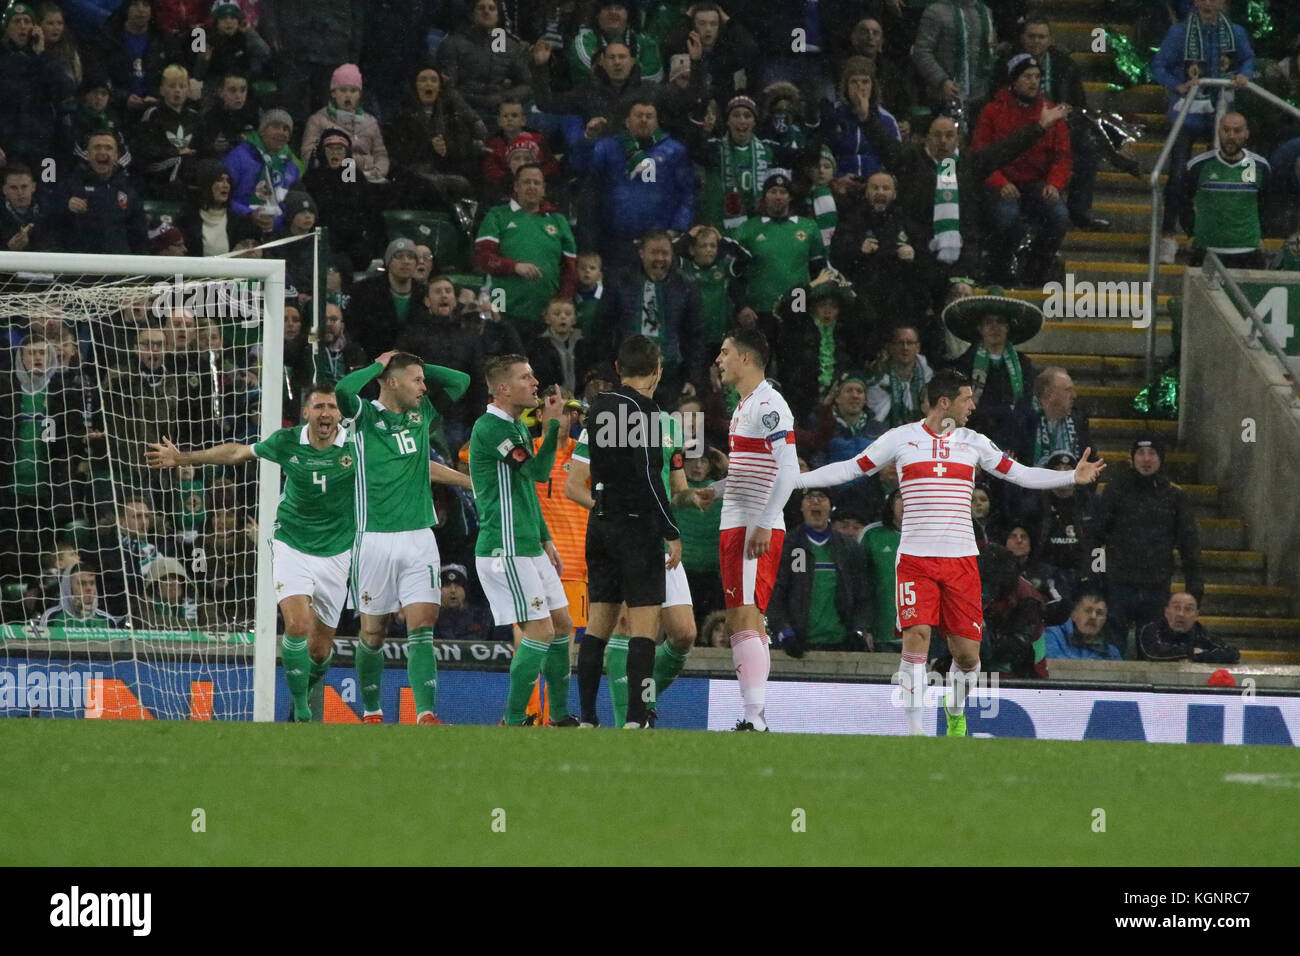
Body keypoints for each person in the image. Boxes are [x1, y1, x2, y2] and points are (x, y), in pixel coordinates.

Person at [795, 368, 1105, 736]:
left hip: (961, 563)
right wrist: (798, 480)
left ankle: (953, 707)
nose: (972, 406)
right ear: (945, 402)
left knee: (968, 658)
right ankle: (916, 734)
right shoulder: (902, 439)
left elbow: (1020, 474)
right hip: (915, 560)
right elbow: (852, 468)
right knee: (917, 641)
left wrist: (1070, 476)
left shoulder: (974, 442)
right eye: (966, 399)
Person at [146, 383, 357, 721]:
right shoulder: (287, 442)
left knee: (320, 650)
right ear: (305, 413)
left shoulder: (356, 445)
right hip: (292, 544)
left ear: (340, 413)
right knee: (298, 625)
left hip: (337, 551)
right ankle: (302, 710)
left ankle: (305, 689)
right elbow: (235, 453)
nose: (325, 413)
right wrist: (182, 458)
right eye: (318, 407)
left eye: (331, 407)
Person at [334, 351, 472, 725]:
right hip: (373, 538)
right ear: (392, 382)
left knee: (422, 626)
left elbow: (461, 381)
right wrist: (381, 364)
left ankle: (425, 713)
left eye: (424, 381)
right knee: (373, 632)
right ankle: (372, 711)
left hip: (419, 538)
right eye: (416, 380)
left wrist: (418, 363)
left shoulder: (420, 412)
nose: (424, 387)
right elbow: (342, 388)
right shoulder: (362, 415)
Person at [567, 382, 710, 727]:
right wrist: (609, 513)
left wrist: (692, 497)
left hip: (656, 534)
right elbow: (575, 484)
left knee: (684, 632)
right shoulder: (603, 421)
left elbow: (675, 489)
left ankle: (640, 700)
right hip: (624, 534)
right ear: (656, 372)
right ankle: (627, 719)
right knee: (627, 626)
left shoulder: (670, 425)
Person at [574, 336, 683, 729]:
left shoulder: (599, 406)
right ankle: (636, 718)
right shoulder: (648, 413)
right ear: (657, 370)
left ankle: (586, 716)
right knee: (643, 628)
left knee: (597, 626)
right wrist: (670, 530)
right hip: (636, 526)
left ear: (618, 369)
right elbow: (650, 479)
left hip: (600, 523)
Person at [468, 355, 574, 725]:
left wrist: (546, 539)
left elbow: (526, 489)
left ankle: (559, 715)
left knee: (563, 624)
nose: (535, 382)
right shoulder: (490, 428)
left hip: (529, 546)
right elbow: (539, 471)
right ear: (502, 388)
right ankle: (513, 719)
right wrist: (552, 426)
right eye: (525, 377)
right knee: (541, 630)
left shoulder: (513, 427)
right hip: (505, 548)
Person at [711, 329, 799, 730]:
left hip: (752, 525)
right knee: (739, 619)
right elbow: (751, 470)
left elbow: (790, 470)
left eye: (725, 353)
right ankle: (754, 715)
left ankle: (755, 719)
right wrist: (710, 493)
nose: (719, 359)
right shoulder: (744, 406)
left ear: (746, 358)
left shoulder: (769, 405)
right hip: (738, 522)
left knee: (747, 616)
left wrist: (764, 523)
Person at [1151, 0, 1255, 264]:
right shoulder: (1179, 33)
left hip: (1220, 116)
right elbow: (1158, 65)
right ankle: (1168, 235)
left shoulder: (1236, 33)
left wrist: (1244, 75)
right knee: (1176, 174)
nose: (1208, 3)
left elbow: (1247, 59)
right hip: (1186, 114)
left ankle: (1209, 234)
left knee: (1215, 175)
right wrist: (1178, 85)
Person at [1097, 434, 1204, 655]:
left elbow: (1189, 544)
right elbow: (1097, 535)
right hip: (1119, 583)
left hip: (1155, 585)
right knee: (1112, 648)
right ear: (1132, 457)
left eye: (1152, 453)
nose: (1146, 459)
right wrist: (1095, 576)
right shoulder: (1116, 490)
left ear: (1161, 458)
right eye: (1141, 453)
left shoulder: (1175, 496)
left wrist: (1194, 587)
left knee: (1152, 649)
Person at [971, 54, 1073, 286]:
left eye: (1037, 77)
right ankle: (1001, 266)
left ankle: (1038, 266)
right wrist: (999, 182)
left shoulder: (1050, 112)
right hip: (1000, 182)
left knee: (1059, 216)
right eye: (1027, 76)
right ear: (1014, 80)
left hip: (1036, 184)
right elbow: (980, 155)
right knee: (1007, 217)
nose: (1033, 82)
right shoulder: (993, 111)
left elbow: (1062, 156)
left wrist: (1054, 184)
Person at [580, 97, 694, 271]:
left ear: (656, 121)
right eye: (638, 115)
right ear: (627, 120)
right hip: (615, 243)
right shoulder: (607, 147)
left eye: (649, 116)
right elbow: (582, 174)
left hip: (659, 245)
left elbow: (687, 193)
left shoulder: (674, 151)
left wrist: (676, 229)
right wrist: (588, 139)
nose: (644, 120)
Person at [596, 228, 703, 401]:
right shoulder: (620, 282)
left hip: (670, 376)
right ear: (641, 253)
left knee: (665, 426)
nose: (660, 258)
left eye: (665, 253)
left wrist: (693, 378)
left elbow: (695, 336)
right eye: (654, 253)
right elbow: (602, 328)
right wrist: (604, 372)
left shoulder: (686, 286)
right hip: (626, 375)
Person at [474, 163, 578, 333]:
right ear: (516, 186)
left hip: (545, 315)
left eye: (537, 183)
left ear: (544, 189)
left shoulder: (558, 220)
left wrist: (561, 304)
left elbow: (570, 269)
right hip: (501, 308)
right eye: (526, 182)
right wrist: (515, 267)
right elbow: (483, 258)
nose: (532, 187)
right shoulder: (497, 215)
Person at [768, 488, 871, 656]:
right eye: (810, 497)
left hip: (841, 645)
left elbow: (863, 595)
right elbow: (776, 595)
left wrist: (858, 630)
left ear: (831, 507)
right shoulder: (790, 546)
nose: (815, 502)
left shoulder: (849, 548)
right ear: (801, 507)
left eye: (821, 497)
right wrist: (784, 632)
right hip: (798, 645)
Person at [731, 173, 827, 344]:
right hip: (759, 310)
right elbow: (736, 275)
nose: (778, 196)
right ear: (764, 196)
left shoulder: (809, 227)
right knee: (759, 366)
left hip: (797, 308)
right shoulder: (747, 229)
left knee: (794, 366)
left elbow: (819, 271)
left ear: (790, 197)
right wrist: (741, 306)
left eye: (783, 192)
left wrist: (817, 304)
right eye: (773, 191)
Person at [944, 289, 1040, 452]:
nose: (995, 328)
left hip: (1012, 446)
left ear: (1008, 327)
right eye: (989, 322)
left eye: (1000, 322)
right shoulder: (964, 364)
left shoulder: (1023, 364)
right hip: (974, 445)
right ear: (980, 328)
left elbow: (1025, 407)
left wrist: (1012, 446)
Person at [1185, 111, 1270, 268]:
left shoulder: (1260, 166)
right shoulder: (1199, 165)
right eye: (1226, 130)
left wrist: (1262, 235)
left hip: (1248, 251)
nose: (1231, 136)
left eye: (1237, 131)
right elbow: (1183, 201)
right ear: (1219, 131)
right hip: (1207, 250)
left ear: (1246, 133)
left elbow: (1268, 204)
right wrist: (1191, 232)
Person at [436, 0, 532, 125]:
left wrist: (502, 98)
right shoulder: (452, 43)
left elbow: (527, 85)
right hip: (462, 116)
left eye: (491, 8)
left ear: (497, 16)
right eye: (481, 8)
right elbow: (448, 88)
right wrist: (473, 118)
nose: (486, 11)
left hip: (500, 115)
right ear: (472, 14)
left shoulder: (510, 46)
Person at [52, 130, 147, 254]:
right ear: (88, 154)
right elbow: (49, 220)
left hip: (117, 266)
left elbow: (139, 234)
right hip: (80, 265)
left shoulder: (128, 188)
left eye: (108, 148)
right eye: (97, 147)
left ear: (116, 155)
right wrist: (66, 206)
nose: (102, 152)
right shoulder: (70, 184)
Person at [345, 238, 432, 363]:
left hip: (414, 364)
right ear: (388, 262)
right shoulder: (364, 291)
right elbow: (354, 331)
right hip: (373, 362)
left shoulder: (424, 293)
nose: (406, 261)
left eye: (411, 257)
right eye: (399, 256)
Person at [697, 95, 777, 230]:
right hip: (719, 228)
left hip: (757, 229)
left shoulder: (767, 150)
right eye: (736, 115)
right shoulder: (714, 149)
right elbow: (694, 150)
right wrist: (705, 132)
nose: (742, 120)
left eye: (747, 116)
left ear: (754, 122)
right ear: (728, 121)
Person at [300, 63, 389, 183]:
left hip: (368, 178)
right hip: (333, 179)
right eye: (342, 90)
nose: (348, 95)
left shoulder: (371, 122)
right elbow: (308, 155)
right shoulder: (317, 120)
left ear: (359, 94)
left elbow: (380, 154)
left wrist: (376, 172)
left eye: (353, 91)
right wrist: (351, 161)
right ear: (333, 93)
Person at [824, 57, 903, 180]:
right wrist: (836, 179)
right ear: (846, 86)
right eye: (854, 82)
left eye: (865, 82)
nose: (860, 87)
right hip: (840, 184)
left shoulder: (887, 119)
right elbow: (823, 156)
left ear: (873, 86)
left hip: (875, 186)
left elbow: (897, 159)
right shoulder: (832, 115)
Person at [912, 0, 998, 110]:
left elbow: (990, 48)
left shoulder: (985, 12)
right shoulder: (936, 12)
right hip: (944, 95)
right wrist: (941, 81)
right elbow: (921, 51)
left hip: (980, 95)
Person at [222, 108, 300, 228]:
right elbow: (224, 198)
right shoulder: (238, 157)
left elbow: (290, 206)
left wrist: (275, 222)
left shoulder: (291, 167)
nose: (281, 132)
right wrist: (249, 214)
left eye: (286, 129)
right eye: (275, 127)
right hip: (240, 226)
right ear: (262, 131)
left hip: (276, 233)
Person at [1138, 591, 1239, 663]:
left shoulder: (1200, 632)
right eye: (1176, 608)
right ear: (1166, 611)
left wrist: (1197, 656)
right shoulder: (1152, 629)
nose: (1181, 614)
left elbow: (1232, 653)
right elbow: (1153, 653)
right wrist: (1191, 652)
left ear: (1196, 615)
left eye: (1188, 609)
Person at [867, 325, 934, 428]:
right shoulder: (878, 379)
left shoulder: (929, 378)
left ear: (917, 348)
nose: (905, 348)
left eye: (910, 343)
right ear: (891, 347)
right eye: (900, 343)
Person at [862, 489, 904, 653]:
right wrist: (864, 627)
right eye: (900, 497)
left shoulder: (931, 535)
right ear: (891, 503)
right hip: (882, 633)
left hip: (924, 634)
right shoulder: (872, 535)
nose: (905, 502)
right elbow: (860, 585)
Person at [38, 558, 123, 629]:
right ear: (68, 588)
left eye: (92, 583)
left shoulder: (107, 620)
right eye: (82, 584)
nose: (89, 588)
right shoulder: (51, 618)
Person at [1043, 590, 1122, 661]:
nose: (1093, 616)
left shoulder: (1111, 653)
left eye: (1099, 613)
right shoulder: (1052, 636)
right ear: (1073, 615)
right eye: (1088, 611)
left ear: (1104, 620)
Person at [1, 162, 57, 252]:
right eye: (13, 188)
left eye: (24, 187)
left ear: (33, 187)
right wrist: (8, 249)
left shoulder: (48, 213)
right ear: (5, 190)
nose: (20, 193)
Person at [433, 564, 498, 641]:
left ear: (465, 590)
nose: (453, 590)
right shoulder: (430, 619)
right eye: (447, 585)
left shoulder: (482, 617)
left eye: (458, 585)